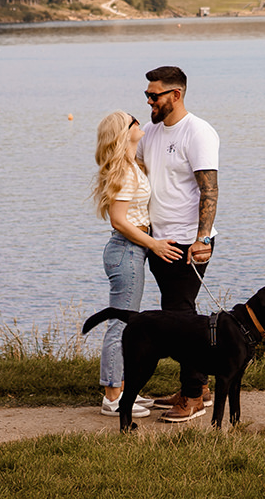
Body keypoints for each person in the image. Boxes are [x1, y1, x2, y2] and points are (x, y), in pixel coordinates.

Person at [137, 64, 220, 422]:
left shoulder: (198, 132)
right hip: (159, 242)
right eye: (147, 96)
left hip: (189, 243)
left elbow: (209, 189)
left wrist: (202, 239)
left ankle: (193, 397)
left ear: (176, 94)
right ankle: (198, 387)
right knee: (178, 315)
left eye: (155, 96)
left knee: (181, 318)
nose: (150, 102)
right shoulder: (149, 133)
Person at [89, 109, 182, 417]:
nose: (139, 123)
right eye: (133, 121)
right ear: (124, 132)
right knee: (120, 325)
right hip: (127, 250)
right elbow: (118, 220)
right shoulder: (125, 171)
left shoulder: (131, 165)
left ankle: (122, 388)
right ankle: (113, 397)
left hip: (132, 250)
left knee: (124, 322)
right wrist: (154, 243)